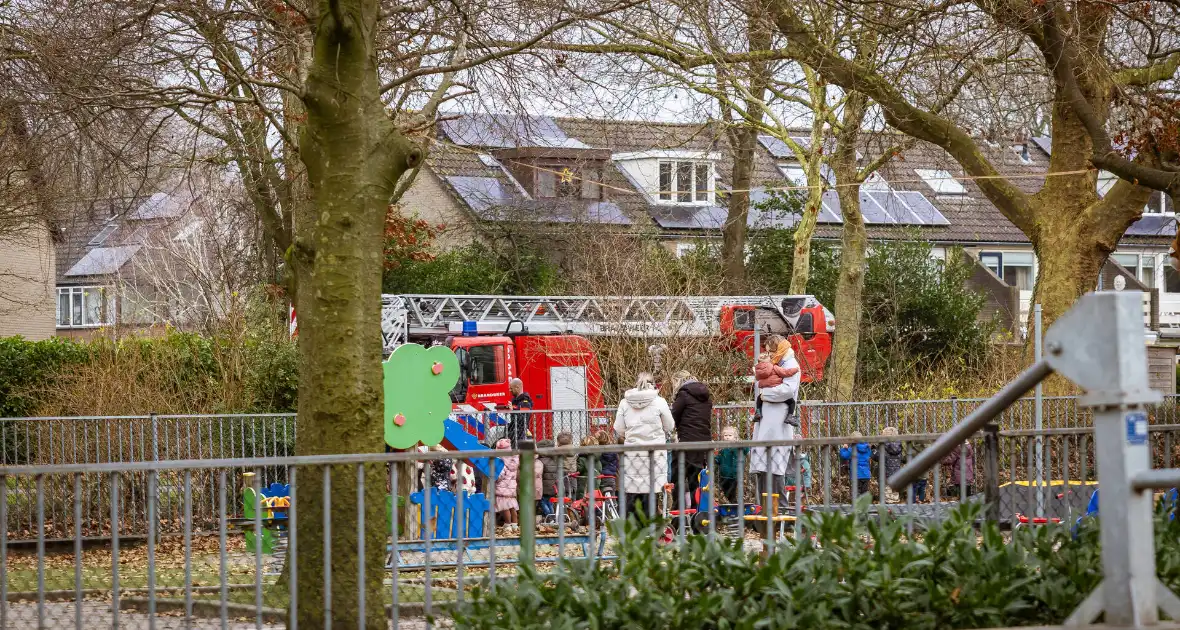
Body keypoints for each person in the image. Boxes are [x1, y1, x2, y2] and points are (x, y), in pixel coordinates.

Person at [613, 372, 675, 522]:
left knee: (633, 488)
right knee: (652, 489)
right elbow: (670, 425)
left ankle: (631, 523)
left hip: (633, 453)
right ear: (653, 384)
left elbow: (619, 428)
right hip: (655, 452)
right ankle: (650, 521)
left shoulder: (624, 402)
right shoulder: (660, 402)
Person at [749, 335, 801, 510]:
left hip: (778, 418)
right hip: (768, 418)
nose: (768, 353)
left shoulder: (790, 364)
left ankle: (780, 508)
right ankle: (764, 507)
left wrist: (764, 395)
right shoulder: (777, 363)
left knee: (775, 464)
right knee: (764, 464)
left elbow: (787, 391)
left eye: (770, 349)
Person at [670, 371, 713, 510]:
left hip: (686, 441)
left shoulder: (683, 395)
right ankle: (698, 511)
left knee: (678, 478)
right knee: (697, 480)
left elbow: (673, 416)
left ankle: (678, 511)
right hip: (703, 442)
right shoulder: (706, 396)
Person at [753, 350, 800, 422]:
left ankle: (758, 413)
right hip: (776, 389)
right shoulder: (774, 367)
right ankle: (790, 417)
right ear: (769, 360)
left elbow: (757, 380)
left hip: (766, 392)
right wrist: (796, 369)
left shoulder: (758, 371)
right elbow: (785, 373)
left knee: (759, 398)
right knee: (791, 401)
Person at [716, 426, 747, 504]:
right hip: (724, 475)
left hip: (734, 475)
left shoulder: (737, 447)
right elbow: (719, 458)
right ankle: (733, 504)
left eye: (730, 435)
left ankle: (735, 505)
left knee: (732, 492)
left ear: (735, 437)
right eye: (726, 435)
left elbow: (746, 450)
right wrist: (715, 459)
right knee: (725, 491)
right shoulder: (722, 448)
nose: (727, 437)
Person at [494, 438, 519, 527]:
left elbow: (499, 476)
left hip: (502, 488)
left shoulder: (501, 462)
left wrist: (494, 479)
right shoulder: (513, 461)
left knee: (504, 508)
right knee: (512, 506)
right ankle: (515, 524)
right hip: (511, 488)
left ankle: (507, 524)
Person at [840, 431, 872, 499]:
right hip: (866, 475)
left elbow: (844, 455)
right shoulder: (867, 448)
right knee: (864, 492)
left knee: (856, 492)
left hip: (856, 475)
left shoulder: (852, 449)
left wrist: (843, 449)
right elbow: (870, 455)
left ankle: (857, 506)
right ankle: (864, 506)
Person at [506, 378, 533, 448]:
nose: (510, 390)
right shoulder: (515, 402)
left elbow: (523, 420)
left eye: (511, 388)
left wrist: (512, 411)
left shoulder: (525, 403)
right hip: (514, 433)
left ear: (517, 387)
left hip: (521, 435)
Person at [881, 427, 903, 503]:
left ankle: (888, 505)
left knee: (887, 489)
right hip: (897, 472)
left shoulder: (884, 445)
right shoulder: (899, 445)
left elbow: (879, 457)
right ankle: (896, 502)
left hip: (887, 472)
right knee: (895, 490)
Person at [537, 439, 558, 515]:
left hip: (544, 488)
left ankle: (548, 515)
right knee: (550, 502)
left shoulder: (540, 461)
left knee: (542, 502)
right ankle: (552, 515)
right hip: (552, 487)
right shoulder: (554, 460)